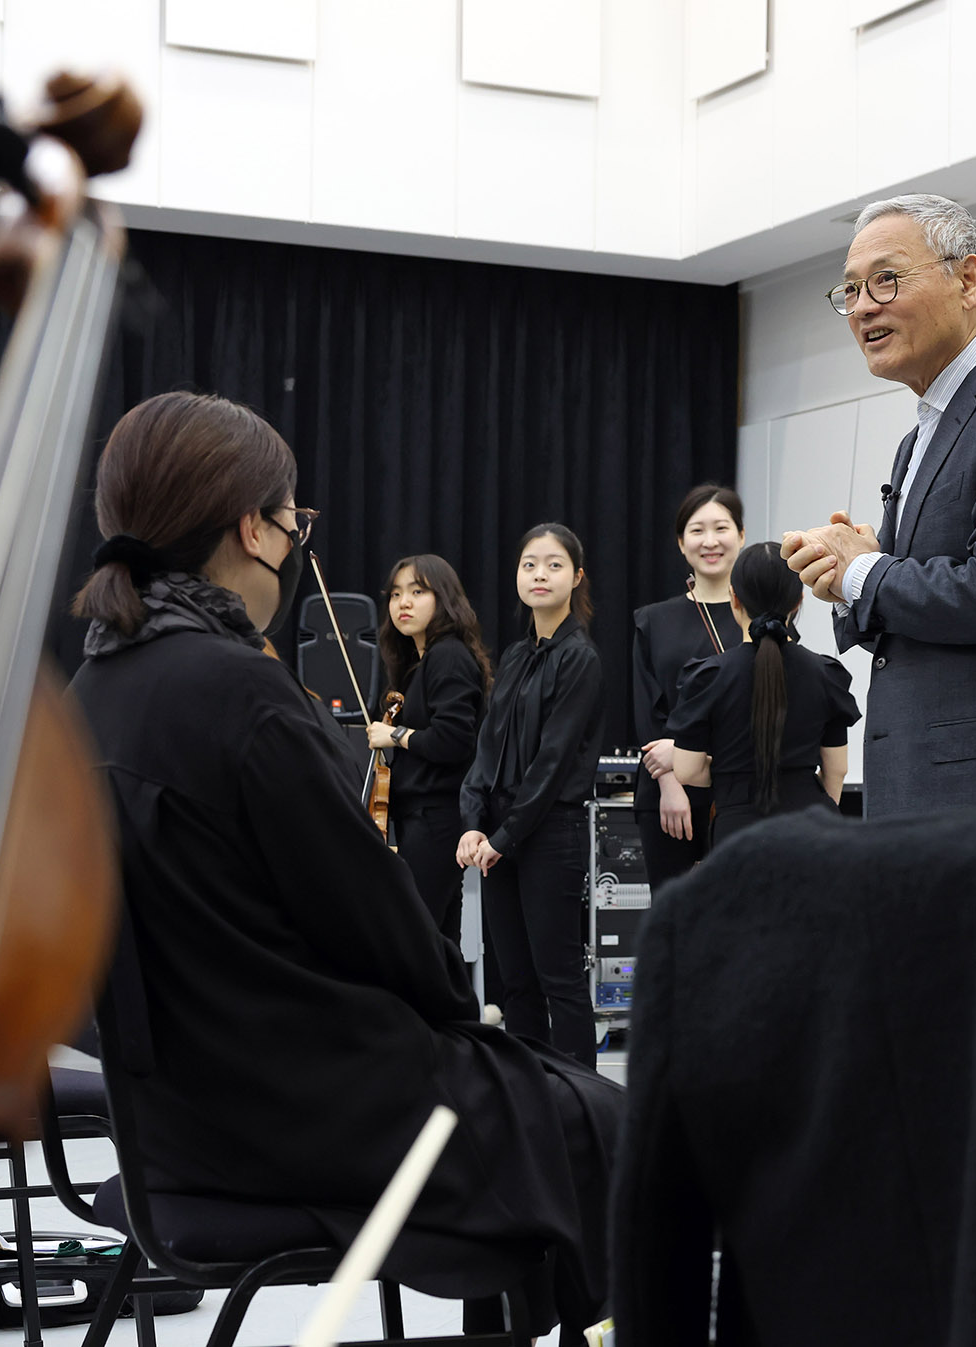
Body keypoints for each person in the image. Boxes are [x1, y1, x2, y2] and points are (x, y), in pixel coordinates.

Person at [65, 392, 619, 1336]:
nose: (295, 543)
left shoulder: (89, 688)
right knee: (616, 1125)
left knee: (549, 1103)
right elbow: (386, 934)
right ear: (253, 527)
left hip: (174, 1118)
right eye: (294, 524)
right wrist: (454, 1004)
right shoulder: (240, 690)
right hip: (298, 1113)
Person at [781, 193, 976, 818]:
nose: (862, 307)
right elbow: (922, 607)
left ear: (968, 278)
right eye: (849, 291)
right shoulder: (919, 436)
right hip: (917, 789)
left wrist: (865, 572)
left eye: (886, 280)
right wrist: (848, 574)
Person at [459, 524, 605, 1070]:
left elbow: (553, 762)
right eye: (529, 564)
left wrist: (503, 835)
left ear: (576, 577)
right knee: (514, 982)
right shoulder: (517, 656)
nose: (539, 574)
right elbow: (486, 750)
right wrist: (474, 823)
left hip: (549, 835)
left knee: (560, 980)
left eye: (553, 565)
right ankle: (527, 1097)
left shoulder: (580, 659)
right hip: (501, 835)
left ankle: (581, 1104)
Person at [666, 541, 860, 848]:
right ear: (798, 601)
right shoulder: (825, 673)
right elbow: (836, 769)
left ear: (734, 599)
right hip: (817, 831)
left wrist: (729, 782)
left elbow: (688, 770)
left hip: (738, 831)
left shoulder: (707, 676)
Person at [369, 554, 492, 949]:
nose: (403, 602)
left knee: (415, 935)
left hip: (437, 818)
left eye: (417, 592)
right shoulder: (416, 665)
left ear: (443, 599)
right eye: (396, 594)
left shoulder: (448, 655)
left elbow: (454, 740)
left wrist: (396, 735)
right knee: (437, 938)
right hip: (423, 818)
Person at [630, 484, 745, 887]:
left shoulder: (763, 617)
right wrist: (669, 782)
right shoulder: (652, 620)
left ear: (741, 536)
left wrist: (683, 755)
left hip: (740, 792)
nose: (710, 541)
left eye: (721, 528)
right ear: (681, 543)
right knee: (673, 922)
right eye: (697, 531)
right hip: (667, 796)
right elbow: (647, 713)